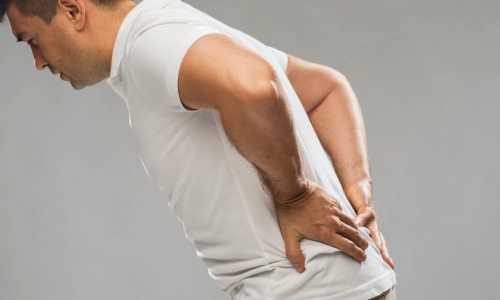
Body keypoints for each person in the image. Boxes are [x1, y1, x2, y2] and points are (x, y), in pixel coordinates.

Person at [1, 0, 397, 299]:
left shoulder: (149, 44)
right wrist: (357, 189)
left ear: (72, 10)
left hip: (308, 290)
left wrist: (296, 195)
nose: (37, 62)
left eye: (32, 40)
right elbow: (327, 88)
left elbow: (254, 87)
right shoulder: (171, 26)